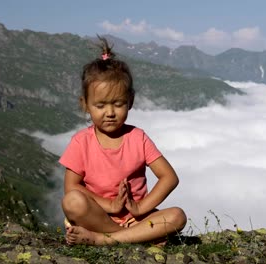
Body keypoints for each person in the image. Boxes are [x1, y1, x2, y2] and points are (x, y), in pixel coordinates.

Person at [60, 36, 186, 246]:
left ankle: (104, 240)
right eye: (100, 106)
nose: (110, 113)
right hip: (98, 216)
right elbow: (71, 187)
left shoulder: (138, 138)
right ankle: (135, 237)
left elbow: (169, 177)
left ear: (131, 102)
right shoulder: (81, 142)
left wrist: (141, 208)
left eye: (118, 104)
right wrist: (109, 205)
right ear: (85, 105)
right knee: (72, 202)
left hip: (136, 219)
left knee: (177, 216)